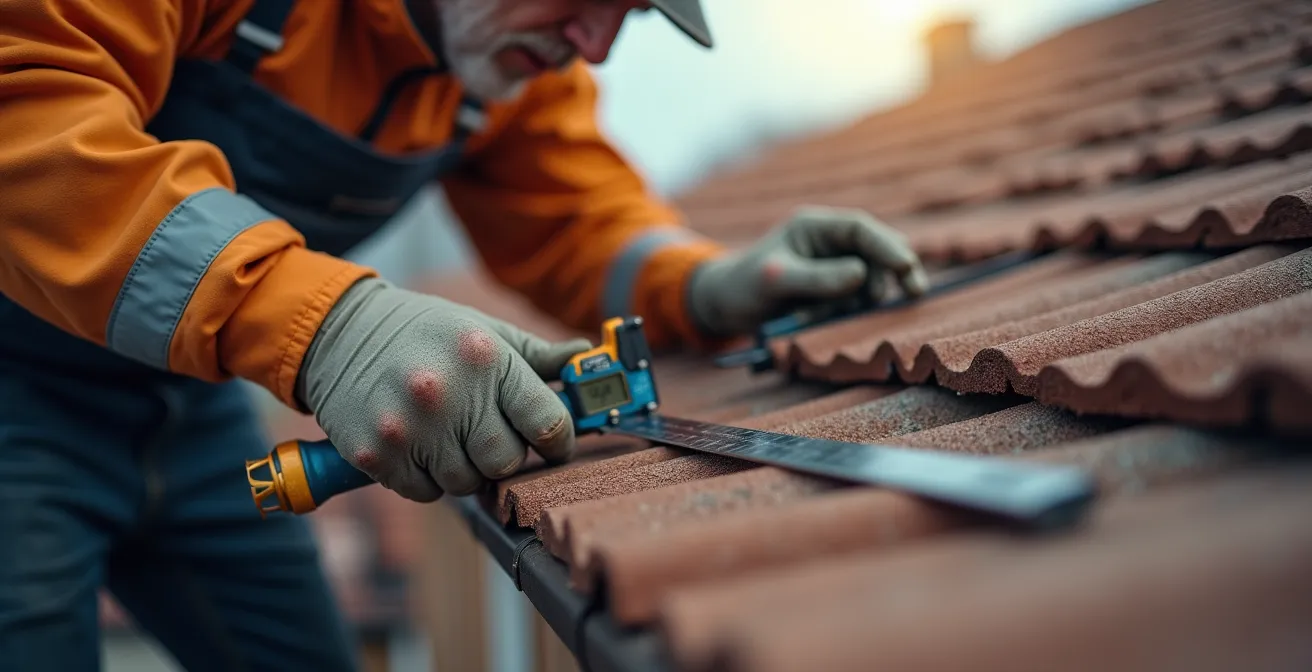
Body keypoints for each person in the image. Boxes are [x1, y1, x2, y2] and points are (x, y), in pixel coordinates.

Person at [0, 0, 929, 669]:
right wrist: (328, 326)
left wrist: (702, 284)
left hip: (187, 412)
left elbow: (576, 218)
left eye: (632, 15)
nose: (595, 46)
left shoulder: (507, 62)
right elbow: (27, 113)